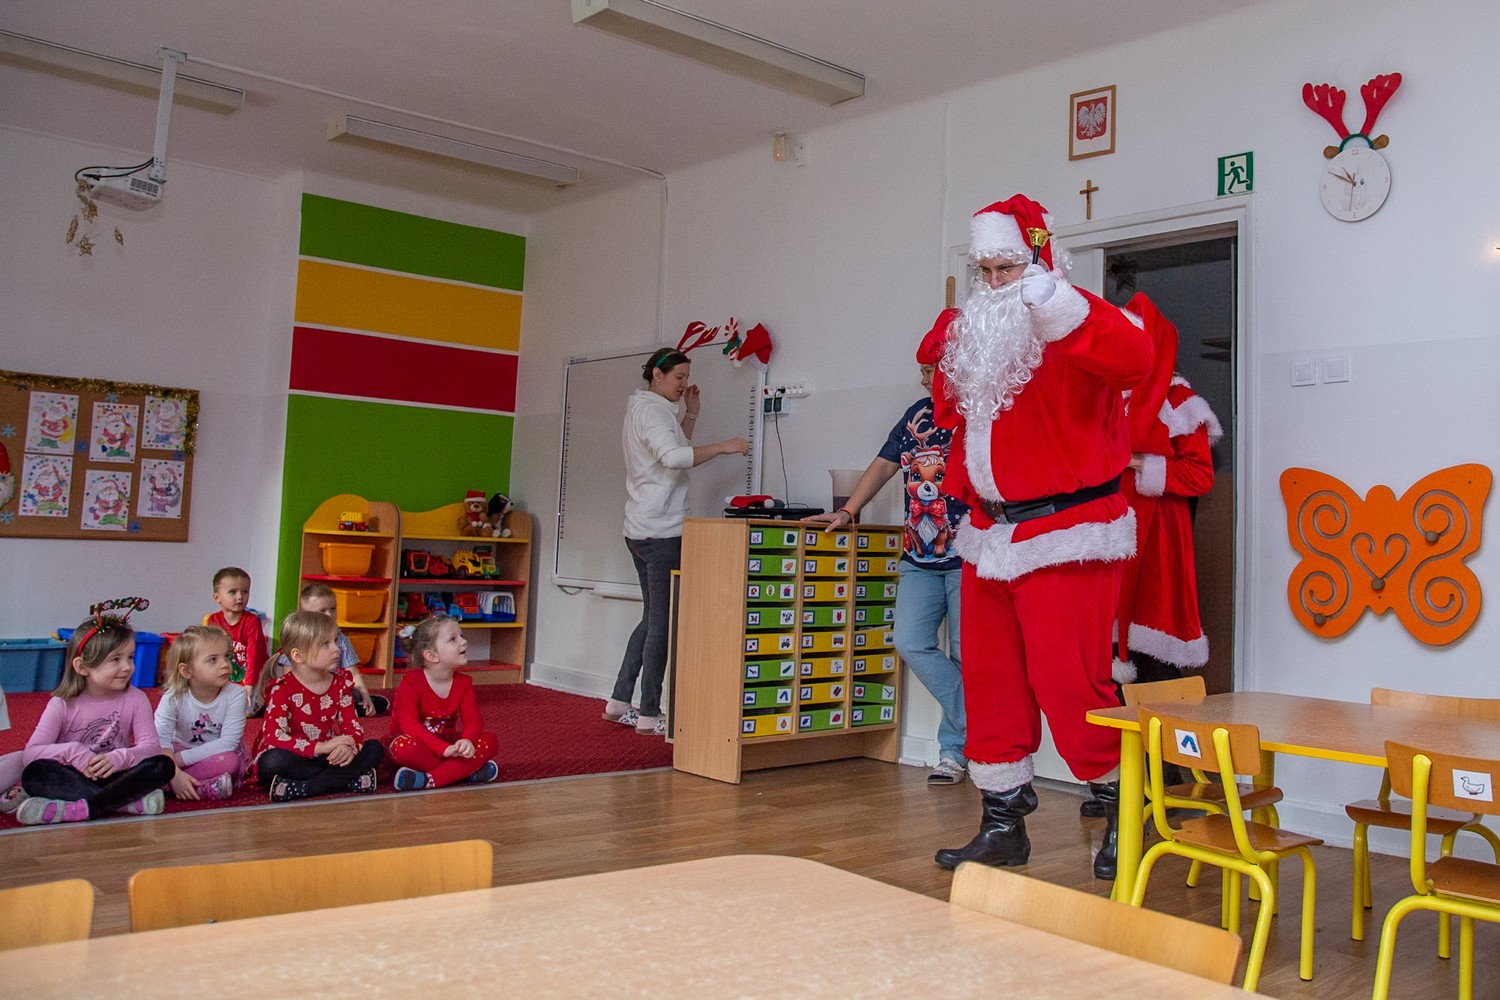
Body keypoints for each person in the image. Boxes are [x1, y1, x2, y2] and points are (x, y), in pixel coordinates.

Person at [924, 195, 1154, 880]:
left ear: (1039, 263)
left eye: (1008, 268)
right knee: (991, 680)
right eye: (985, 270)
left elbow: (1134, 360)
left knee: (1069, 680)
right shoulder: (979, 332)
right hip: (989, 533)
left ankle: (1124, 807)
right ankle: (1002, 822)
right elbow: (944, 390)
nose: (995, 282)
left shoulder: (1077, 319)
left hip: (1068, 532)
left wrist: (1055, 305)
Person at [803, 359, 969, 785]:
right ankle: (980, 722)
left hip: (968, 557)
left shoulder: (978, 412)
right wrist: (847, 510)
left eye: (930, 370)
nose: (923, 379)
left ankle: (954, 753)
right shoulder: (917, 414)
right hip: (918, 557)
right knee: (909, 641)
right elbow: (883, 464)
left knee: (964, 656)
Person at [603, 347, 750, 737]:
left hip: (641, 527)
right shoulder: (652, 412)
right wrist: (724, 446)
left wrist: (692, 414)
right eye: (679, 377)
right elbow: (673, 457)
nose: (684, 384)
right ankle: (650, 714)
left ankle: (619, 702)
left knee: (651, 617)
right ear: (657, 375)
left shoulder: (647, 408)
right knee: (662, 624)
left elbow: (674, 447)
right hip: (661, 532)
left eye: (687, 377)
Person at [1110, 292, 1221, 686]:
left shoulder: (1179, 400)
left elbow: (1199, 476)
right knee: (1103, 658)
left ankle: (1168, 731)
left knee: (1154, 660)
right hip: (1107, 536)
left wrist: (1138, 462)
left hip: (1157, 541)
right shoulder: (1104, 397)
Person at [17, 613, 174, 825]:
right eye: (115, 660)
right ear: (82, 667)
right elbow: (31, 753)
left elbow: (151, 748)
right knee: (34, 773)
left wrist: (120, 758)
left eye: (130, 657)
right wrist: (73, 752)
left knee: (163, 765)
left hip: (117, 774)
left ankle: (80, 809)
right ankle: (124, 803)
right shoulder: (61, 703)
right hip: (74, 777)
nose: (127, 667)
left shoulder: (136, 698)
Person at [253, 610, 384, 802]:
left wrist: (349, 747)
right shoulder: (282, 688)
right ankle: (345, 781)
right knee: (270, 762)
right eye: (325, 644)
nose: (336, 649)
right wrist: (319, 747)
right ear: (298, 655)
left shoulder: (340, 683)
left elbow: (353, 727)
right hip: (297, 755)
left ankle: (306, 788)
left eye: (336, 640)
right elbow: (274, 735)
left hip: (329, 756)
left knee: (375, 749)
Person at [388, 615, 501, 789]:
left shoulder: (464, 683)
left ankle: (430, 779)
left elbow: (473, 720)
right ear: (431, 655)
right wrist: (442, 749)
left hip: (449, 745)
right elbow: (409, 725)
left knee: (490, 740)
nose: (464, 642)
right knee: (402, 748)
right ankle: (464, 771)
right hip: (418, 744)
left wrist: (467, 741)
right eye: (453, 639)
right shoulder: (411, 682)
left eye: (462, 636)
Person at [254, 583, 390, 718]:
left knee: (353, 693)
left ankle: (356, 705)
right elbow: (289, 679)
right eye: (322, 611)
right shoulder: (298, 641)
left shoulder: (341, 639)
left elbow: (353, 673)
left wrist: (365, 696)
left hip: (331, 693)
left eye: (333, 609)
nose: (329, 614)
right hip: (302, 695)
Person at [154, 625, 250, 801]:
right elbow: (161, 740)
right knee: (149, 757)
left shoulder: (237, 694)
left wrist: (178, 761)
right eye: (213, 660)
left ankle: (170, 785)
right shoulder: (173, 697)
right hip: (175, 754)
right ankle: (197, 786)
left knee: (230, 762)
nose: (225, 664)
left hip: (212, 755)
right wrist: (174, 771)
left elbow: (228, 742)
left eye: (227, 656)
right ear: (186, 671)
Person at [207, 566, 268, 700]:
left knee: (247, 705)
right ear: (217, 597)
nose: (240, 597)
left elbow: (254, 655)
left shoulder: (252, 621)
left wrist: (249, 684)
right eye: (233, 592)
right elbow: (210, 653)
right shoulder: (213, 620)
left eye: (245, 592)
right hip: (227, 676)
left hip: (254, 676)